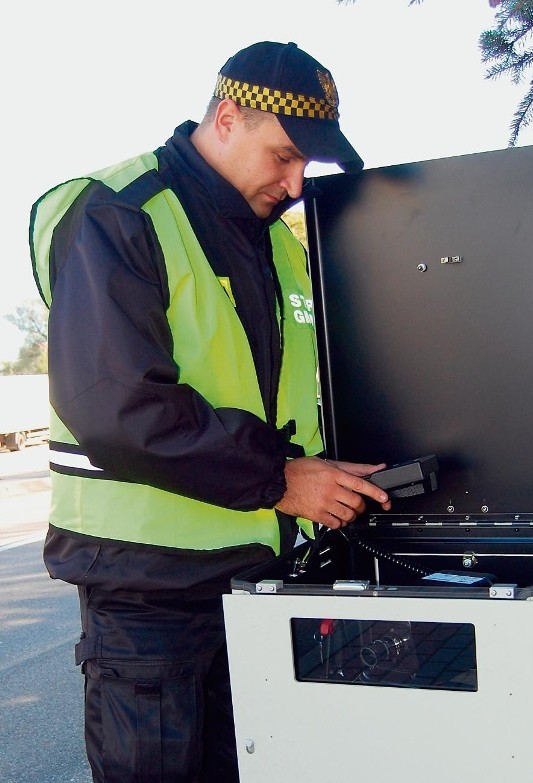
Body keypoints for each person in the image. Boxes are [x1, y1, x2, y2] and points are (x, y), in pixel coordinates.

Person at [29, 40, 391, 783]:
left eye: (306, 167)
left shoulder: (279, 250)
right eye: (285, 156)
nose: (295, 184)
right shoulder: (122, 214)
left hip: (263, 592)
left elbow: (301, 400)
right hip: (152, 608)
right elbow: (118, 406)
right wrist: (284, 480)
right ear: (227, 118)